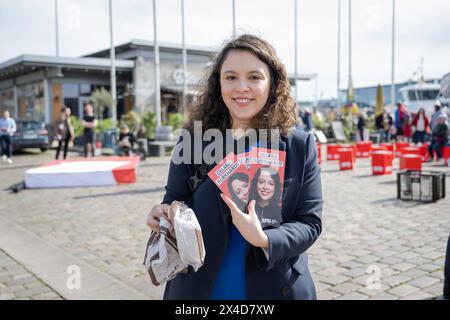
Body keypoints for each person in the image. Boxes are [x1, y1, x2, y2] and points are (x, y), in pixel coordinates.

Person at [147, 34, 323, 300]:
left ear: (273, 84)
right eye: (231, 77)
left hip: (276, 289)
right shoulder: (193, 141)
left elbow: (309, 222)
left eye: (254, 77)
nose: (242, 87)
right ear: (219, 84)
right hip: (201, 289)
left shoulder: (300, 146)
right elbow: (174, 201)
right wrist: (162, 213)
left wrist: (264, 239)